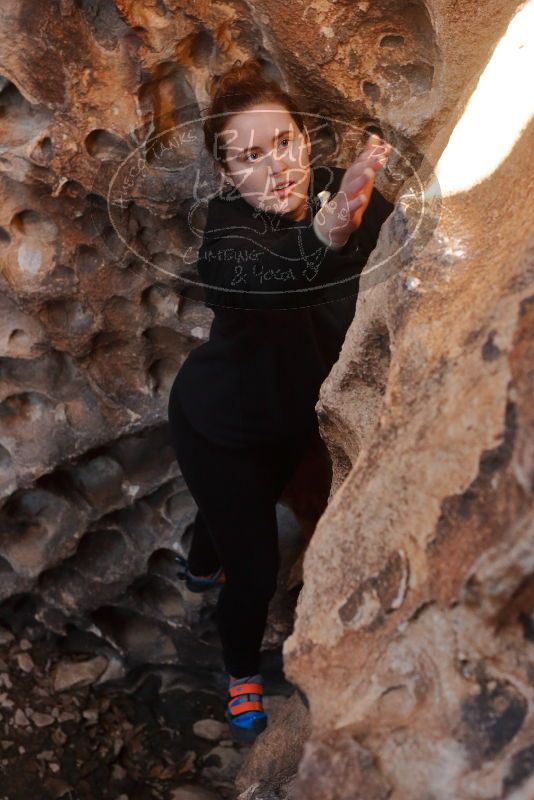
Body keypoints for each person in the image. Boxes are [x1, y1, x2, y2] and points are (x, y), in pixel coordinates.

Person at [167, 57, 394, 743]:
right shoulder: (228, 233)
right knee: (255, 568)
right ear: (228, 175)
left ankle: (201, 557)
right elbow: (258, 278)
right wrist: (326, 235)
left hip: (298, 423)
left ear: (306, 139)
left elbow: (401, 240)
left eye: (285, 143)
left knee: (233, 517)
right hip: (220, 427)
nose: (275, 167)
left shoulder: (342, 190)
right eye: (250, 157)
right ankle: (237, 666)